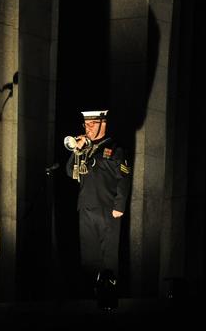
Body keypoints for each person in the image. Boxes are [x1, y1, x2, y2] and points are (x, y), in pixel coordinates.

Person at [65, 110, 131, 298]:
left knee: (108, 257)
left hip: (107, 208)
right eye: (86, 124)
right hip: (86, 207)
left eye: (92, 124)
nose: (88, 128)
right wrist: (77, 150)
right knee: (89, 256)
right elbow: (70, 172)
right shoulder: (84, 150)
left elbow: (124, 178)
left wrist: (120, 206)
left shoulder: (115, 148)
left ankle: (109, 297)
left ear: (103, 123)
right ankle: (89, 297)